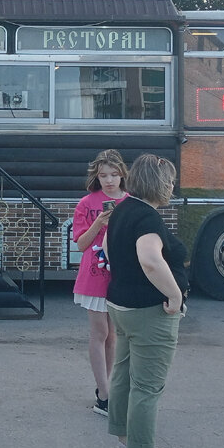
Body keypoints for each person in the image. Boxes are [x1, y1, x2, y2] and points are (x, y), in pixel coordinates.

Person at [103, 154, 190, 448]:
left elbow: (110, 252)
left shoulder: (122, 209)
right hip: (148, 312)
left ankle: (127, 442)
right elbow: (151, 261)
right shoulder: (148, 219)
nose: (172, 186)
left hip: (120, 306)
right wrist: (175, 295)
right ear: (158, 183)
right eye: (169, 180)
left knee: (124, 375)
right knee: (148, 385)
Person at [71, 149, 130, 415]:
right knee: (100, 333)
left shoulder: (131, 202)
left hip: (121, 275)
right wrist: (98, 223)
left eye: (114, 174)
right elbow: (82, 244)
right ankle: (104, 394)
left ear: (122, 175)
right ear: (96, 176)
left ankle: (108, 388)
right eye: (103, 175)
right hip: (94, 275)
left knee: (114, 335)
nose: (109, 180)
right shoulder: (86, 203)